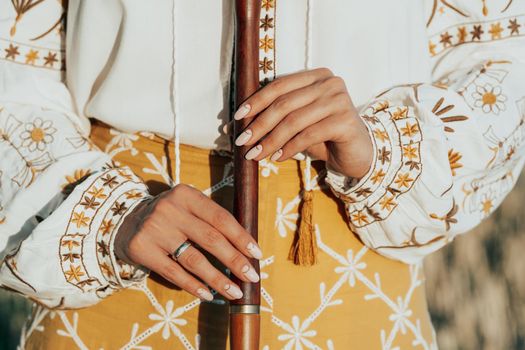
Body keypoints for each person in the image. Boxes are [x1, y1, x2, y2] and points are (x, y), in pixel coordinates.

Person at [1, 0, 524, 348]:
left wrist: (380, 148)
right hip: (123, 265)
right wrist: (108, 217)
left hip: (348, 273)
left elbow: (499, 65)